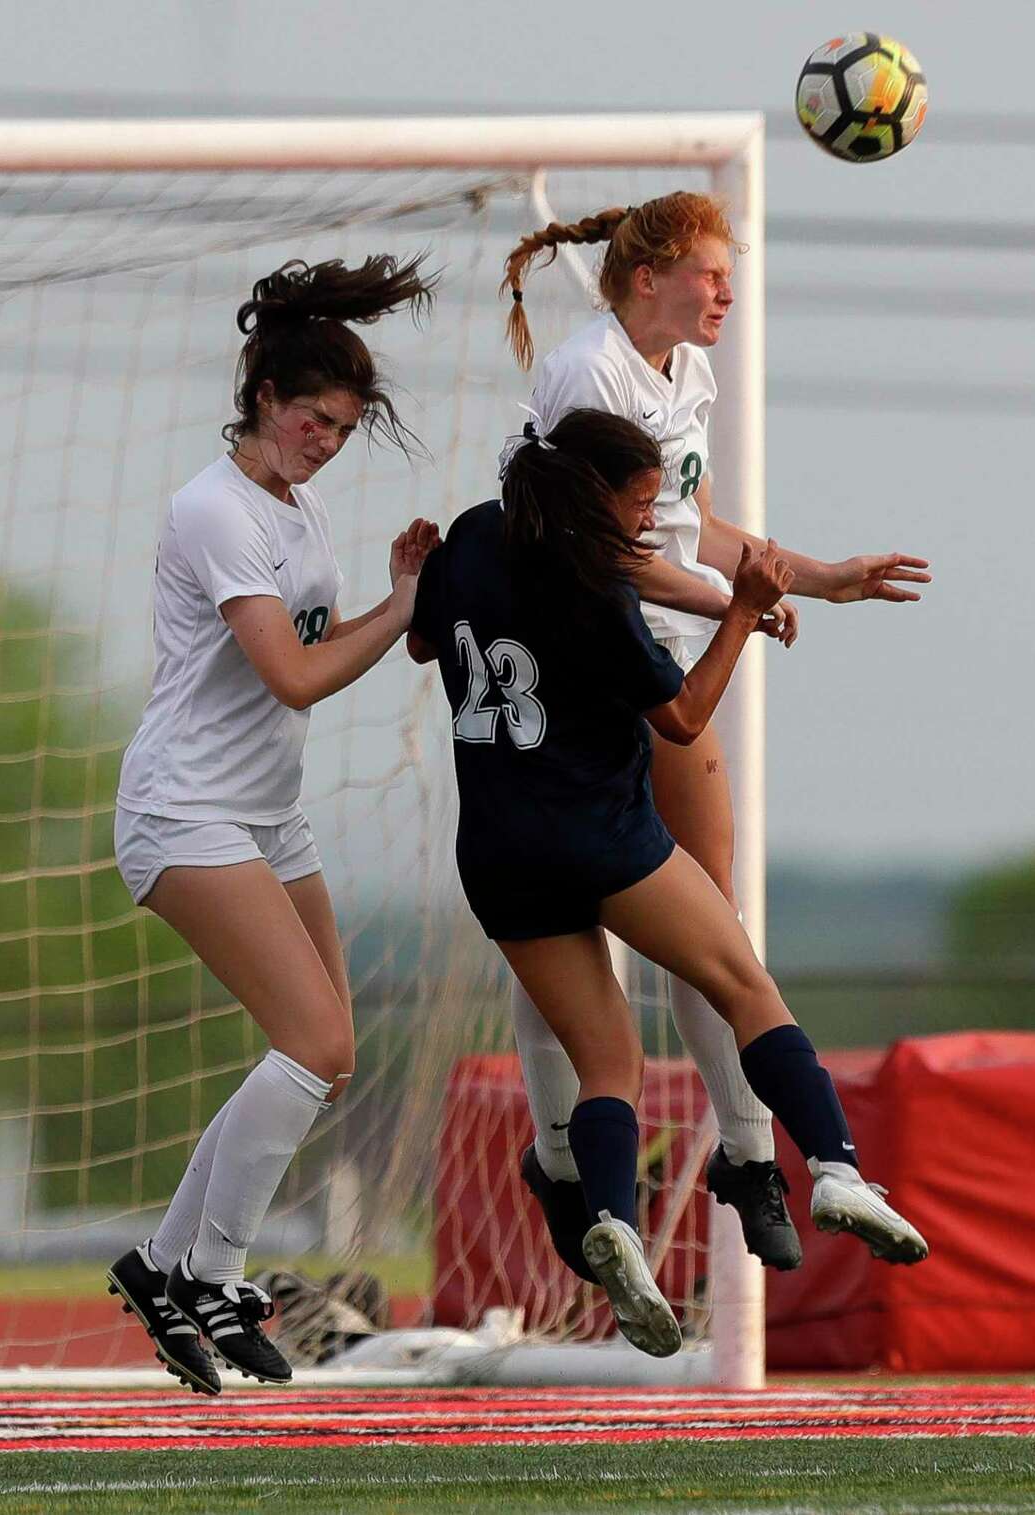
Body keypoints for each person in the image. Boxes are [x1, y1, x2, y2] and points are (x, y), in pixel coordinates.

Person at [407, 408, 927, 1357]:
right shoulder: (594, 585)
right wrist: (740, 608)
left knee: (610, 1063)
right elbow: (682, 718)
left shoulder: (477, 536)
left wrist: (414, 579)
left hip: (496, 852)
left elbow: (423, 642)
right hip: (600, 833)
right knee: (741, 982)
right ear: (594, 498)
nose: (651, 522)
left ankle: (616, 1224)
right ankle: (837, 1167)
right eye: (642, 502)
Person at [498, 192, 931, 1276]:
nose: (728, 291)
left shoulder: (690, 370)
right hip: (582, 671)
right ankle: (560, 1160)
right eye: (708, 271)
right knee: (559, 929)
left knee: (710, 912)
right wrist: (719, 601)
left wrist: (815, 576)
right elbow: (586, 542)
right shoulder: (584, 372)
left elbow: (681, 523)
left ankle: (747, 1158)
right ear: (647, 277)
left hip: (672, 657)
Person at [106, 254, 440, 1396]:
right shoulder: (213, 508)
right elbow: (294, 676)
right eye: (313, 419)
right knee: (322, 1042)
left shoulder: (297, 509)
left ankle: (164, 1267)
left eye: (344, 428)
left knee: (325, 1057)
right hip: (185, 811)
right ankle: (213, 1271)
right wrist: (397, 614)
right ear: (261, 398)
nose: (326, 441)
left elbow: (310, 636)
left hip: (266, 816)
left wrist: (391, 599)